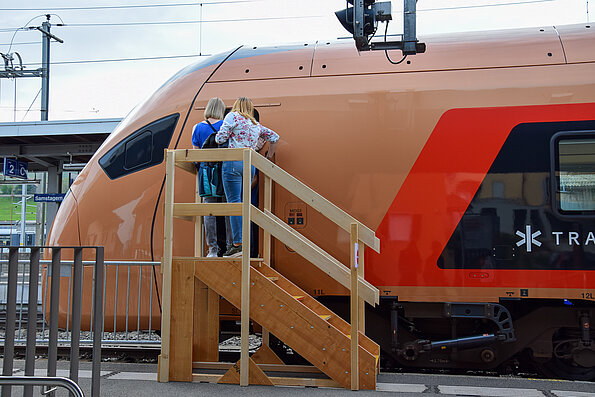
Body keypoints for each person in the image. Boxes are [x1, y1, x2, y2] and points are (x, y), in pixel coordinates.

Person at [215, 97, 279, 257]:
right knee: (245, 204)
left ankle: (237, 245)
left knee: (234, 203)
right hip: (249, 166)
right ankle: (247, 246)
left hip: (233, 163)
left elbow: (219, 138)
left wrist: (229, 134)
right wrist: (268, 156)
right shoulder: (255, 124)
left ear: (236, 107)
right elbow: (274, 137)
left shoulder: (232, 117)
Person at [191, 97, 232, 257]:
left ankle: (212, 249)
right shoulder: (225, 126)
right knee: (229, 209)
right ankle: (230, 247)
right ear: (221, 110)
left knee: (209, 210)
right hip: (224, 171)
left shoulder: (198, 128)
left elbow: (195, 153)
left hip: (206, 174)